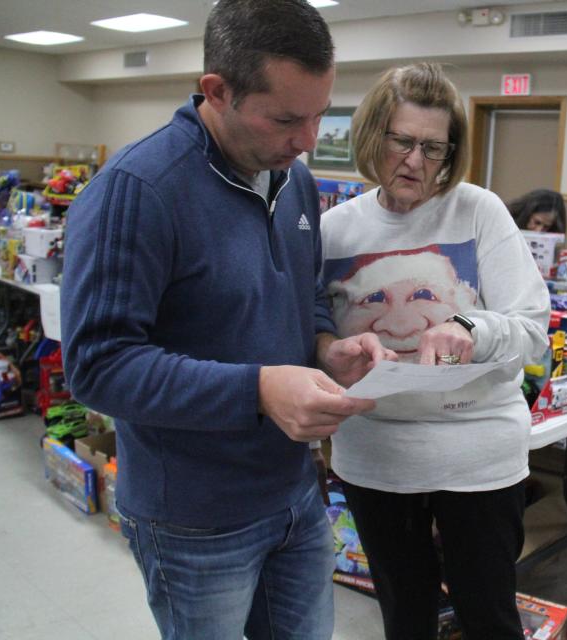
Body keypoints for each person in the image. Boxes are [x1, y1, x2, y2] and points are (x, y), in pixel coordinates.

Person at [59, 1, 395, 638]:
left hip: (294, 493)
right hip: (193, 517)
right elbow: (98, 366)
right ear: (217, 91)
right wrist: (260, 390)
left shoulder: (292, 180)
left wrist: (325, 345)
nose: (305, 141)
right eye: (287, 118)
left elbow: (304, 295)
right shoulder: (139, 190)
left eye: (320, 115)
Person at [319, 62, 551, 640]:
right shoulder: (335, 231)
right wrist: (333, 349)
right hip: (377, 457)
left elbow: (533, 327)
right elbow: (309, 333)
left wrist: (472, 328)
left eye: (434, 148)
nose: (416, 162)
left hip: (477, 456)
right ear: (373, 136)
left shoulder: (478, 210)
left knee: (489, 615)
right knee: (404, 614)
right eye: (402, 142)